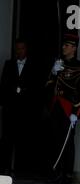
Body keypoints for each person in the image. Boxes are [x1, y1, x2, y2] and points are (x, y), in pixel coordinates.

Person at [46, 34, 80, 184]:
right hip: (56, 107)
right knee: (55, 140)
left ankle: (67, 173)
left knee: (68, 141)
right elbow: (49, 86)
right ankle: (55, 171)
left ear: (74, 48)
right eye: (64, 45)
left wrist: (75, 113)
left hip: (68, 109)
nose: (64, 48)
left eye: (67, 46)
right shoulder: (59, 63)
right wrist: (53, 72)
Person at [0, 39, 36, 176]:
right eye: (17, 49)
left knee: (24, 139)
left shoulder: (33, 65)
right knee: (7, 139)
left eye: (22, 48)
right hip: (10, 108)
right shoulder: (8, 64)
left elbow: (35, 87)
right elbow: (3, 84)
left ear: (26, 49)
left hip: (25, 109)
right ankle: (5, 167)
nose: (19, 51)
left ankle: (22, 169)